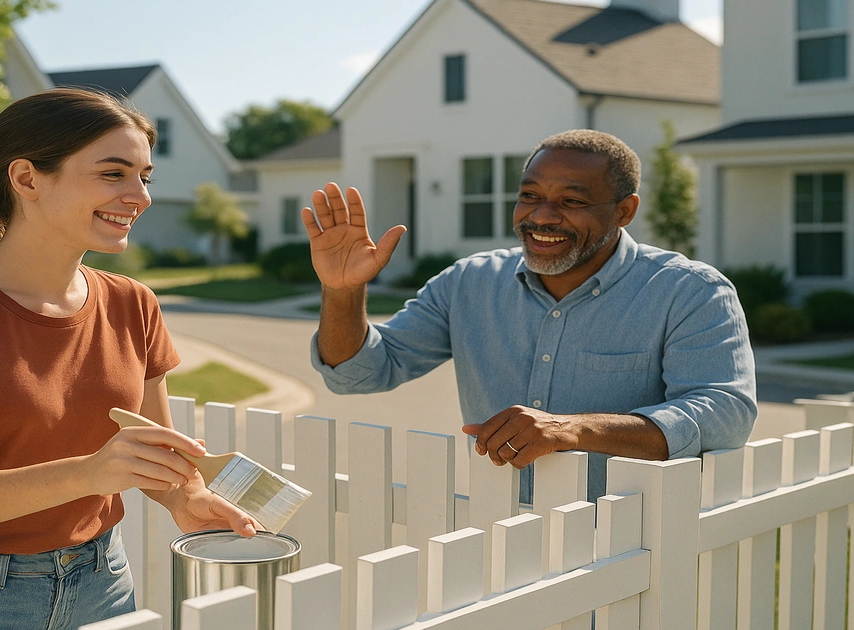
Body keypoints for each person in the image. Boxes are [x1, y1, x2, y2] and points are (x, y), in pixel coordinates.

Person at [0, 88, 256, 630]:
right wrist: (88, 474)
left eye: (144, 176)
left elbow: (151, 453)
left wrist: (184, 499)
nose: (139, 196)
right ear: (27, 180)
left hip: (100, 581)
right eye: (114, 173)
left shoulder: (133, 303)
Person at [305, 129, 756, 502]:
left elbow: (725, 413)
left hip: (629, 540)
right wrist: (342, 291)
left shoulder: (689, 290)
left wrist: (572, 429)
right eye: (530, 196)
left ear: (624, 211)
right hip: (496, 527)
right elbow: (358, 374)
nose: (543, 216)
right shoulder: (468, 283)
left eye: (572, 202)